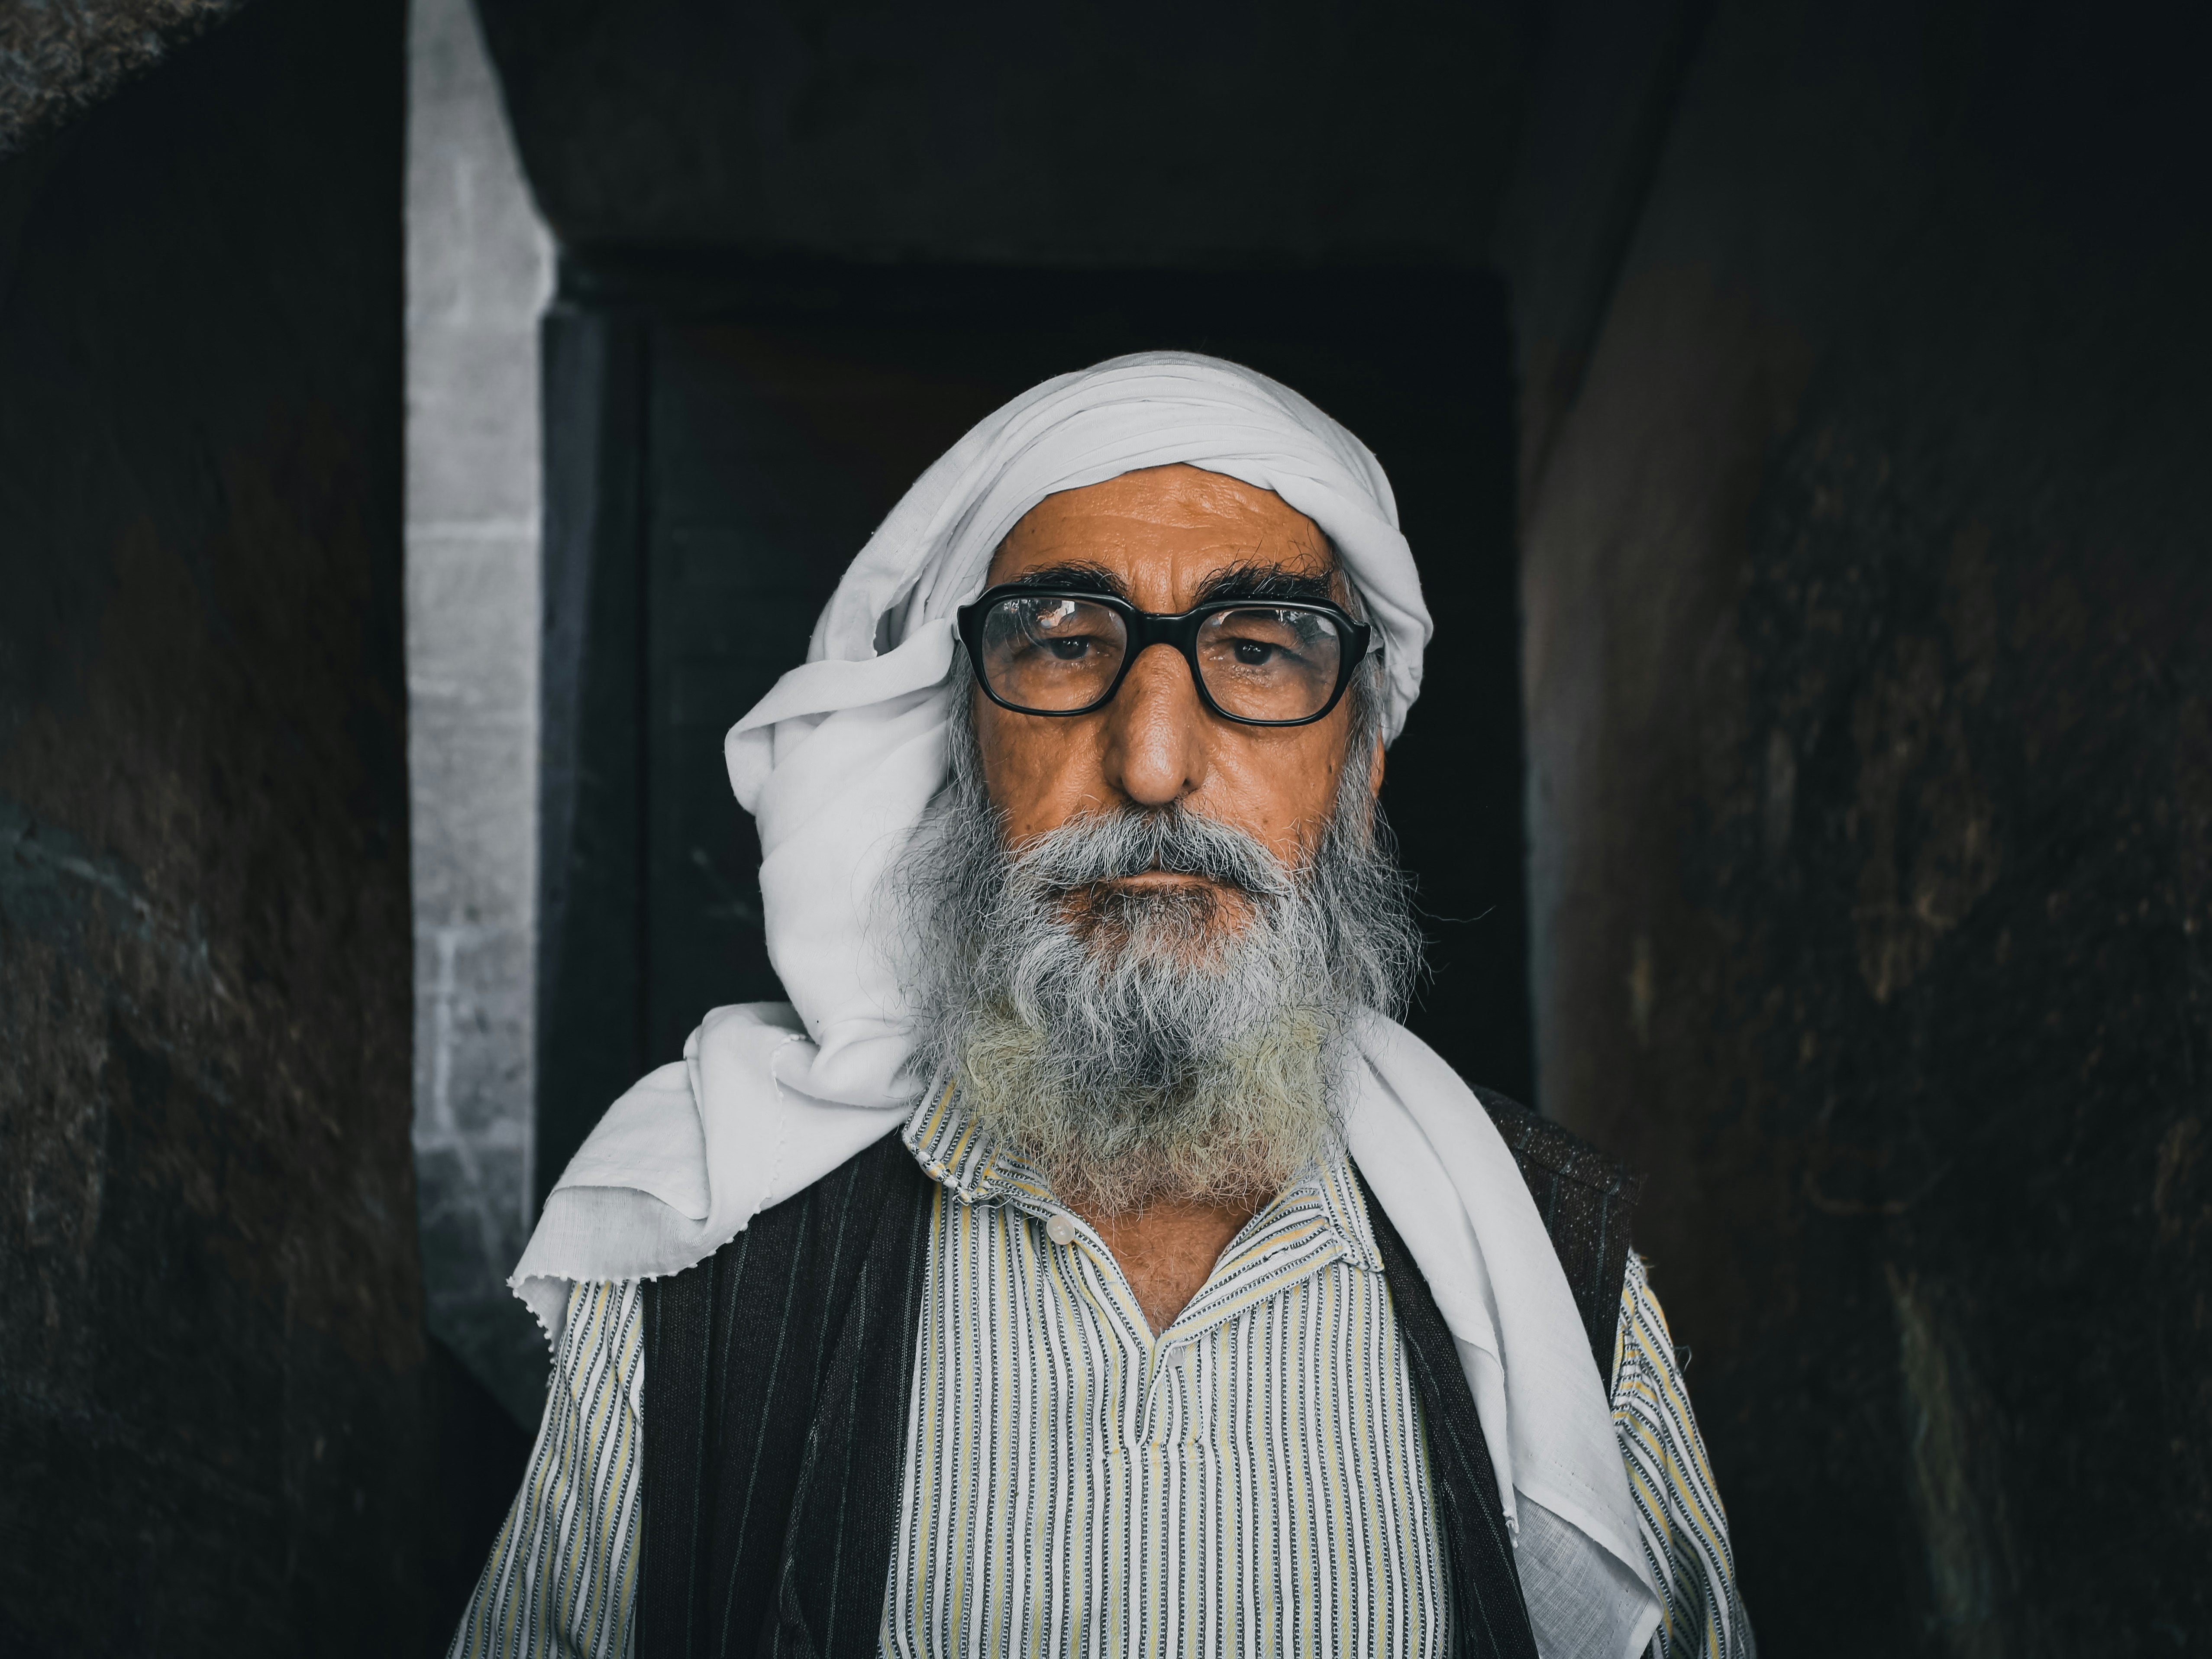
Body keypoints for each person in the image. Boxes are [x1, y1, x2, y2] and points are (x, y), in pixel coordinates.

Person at [448, 354, 1752, 1659]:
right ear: (962, 747)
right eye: (1068, 646)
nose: (1153, 761)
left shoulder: (1562, 1277)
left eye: (1257, 652)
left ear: (1358, 775)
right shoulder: (698, 1258)